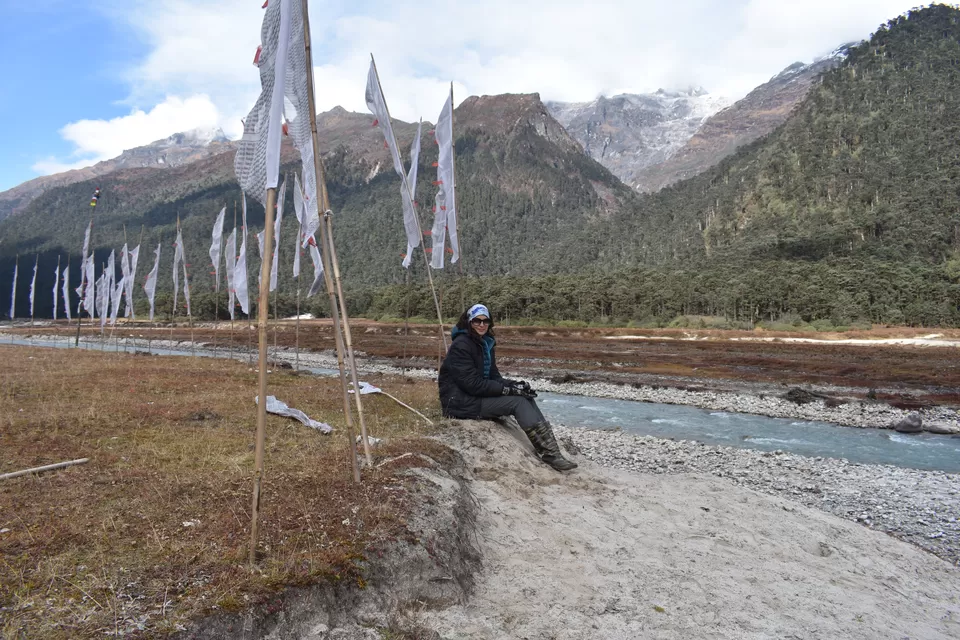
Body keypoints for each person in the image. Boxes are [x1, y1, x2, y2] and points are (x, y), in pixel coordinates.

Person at [438, 303, 577, 471]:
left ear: (490, 323)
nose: (482, 325)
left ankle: (551, 450)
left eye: (485, 321)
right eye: (477, 321)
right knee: (517, 403)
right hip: (460, 403)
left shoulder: (484, 343)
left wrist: (515, 385)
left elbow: (494, 377)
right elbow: (472, 385)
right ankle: (549, 454)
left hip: (473, 397)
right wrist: (507, 390)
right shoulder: (461, 345)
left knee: (525, 397)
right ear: (468, 322)